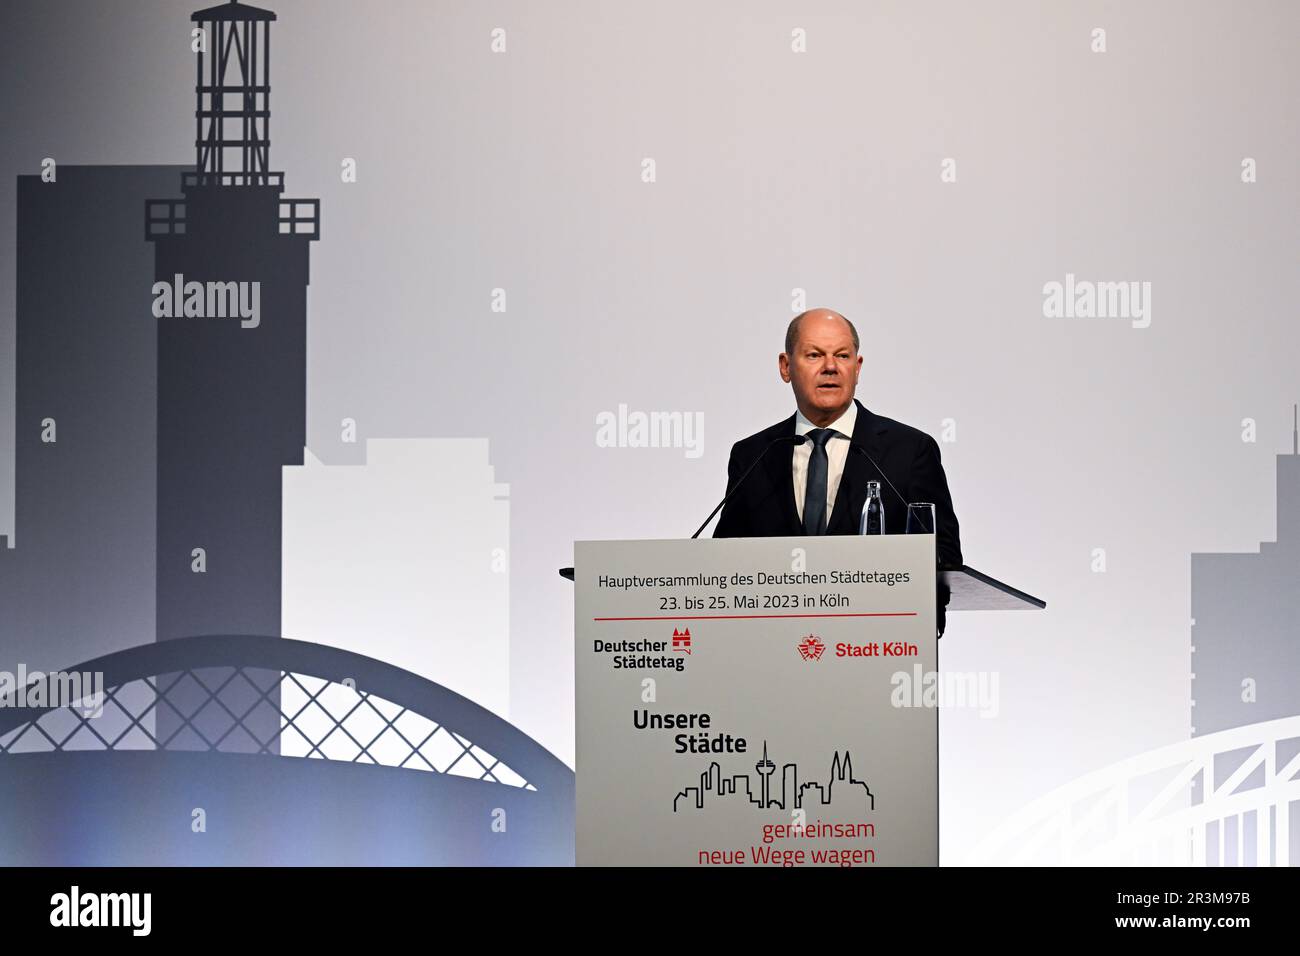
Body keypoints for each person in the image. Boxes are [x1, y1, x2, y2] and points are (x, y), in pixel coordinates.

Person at [712, 308, 961, 636]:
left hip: (875, 644)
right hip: (769, 649)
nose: (830, 367)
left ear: (857, 368)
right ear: (786, 367)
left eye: (842, 355)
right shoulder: (753, 454)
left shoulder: (911, 450)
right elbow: (721, 566)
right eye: (814, 355)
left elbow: (943, 557)